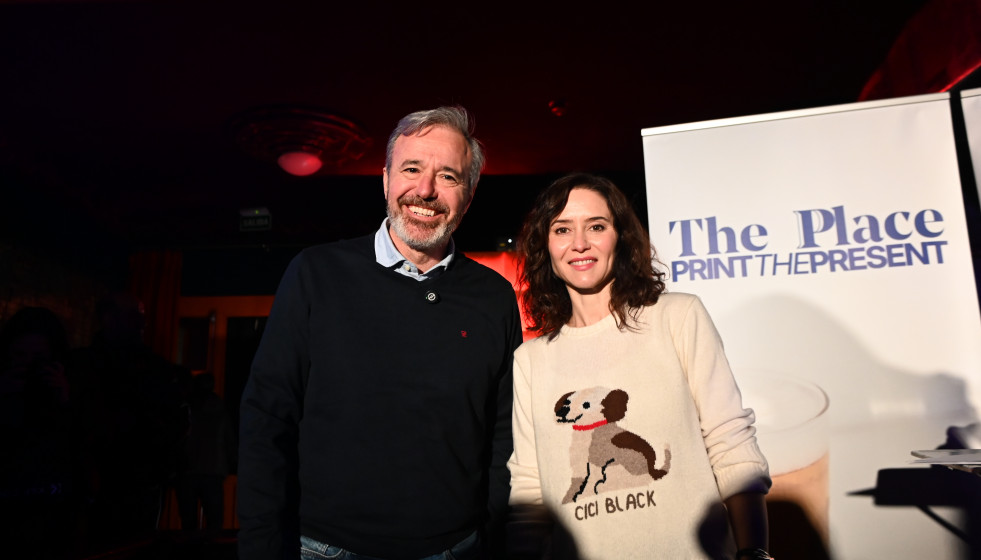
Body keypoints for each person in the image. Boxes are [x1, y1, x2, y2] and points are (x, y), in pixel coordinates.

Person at [237, 106, 522, 560]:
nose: (425, 190)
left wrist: (490, 538)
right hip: (324, 549)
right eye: (412, 169)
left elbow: (504, 435)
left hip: (457, 550)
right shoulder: (317, 274)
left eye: (447, 176)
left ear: (468, 196)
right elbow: (267, 420)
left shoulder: (494, 296)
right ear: (386, 179)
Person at [506, 173, 771, 560]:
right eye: (562, 229)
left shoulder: (678, 317)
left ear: (622, 237)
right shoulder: (531, 360)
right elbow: (529, 491)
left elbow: (731, 443)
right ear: (546, 246)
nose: (580, 243)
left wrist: (754, 551)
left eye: (596, 226)